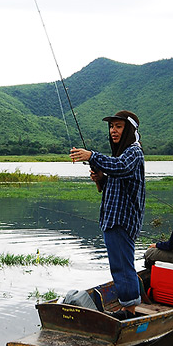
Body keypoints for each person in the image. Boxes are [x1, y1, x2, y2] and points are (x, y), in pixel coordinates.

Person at [69, 110, 146, 311]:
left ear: (129, 129)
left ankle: (129, 310)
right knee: (120, 266)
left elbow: (121, 168)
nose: (113, 130)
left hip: (121, 220)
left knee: (122, 267)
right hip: (112, 220)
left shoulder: (133, 152)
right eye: (111, 126)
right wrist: (101, 178)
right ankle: (129, 303)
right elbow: (115, 178)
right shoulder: (119, 154)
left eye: (118, 126)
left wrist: (92, 156)